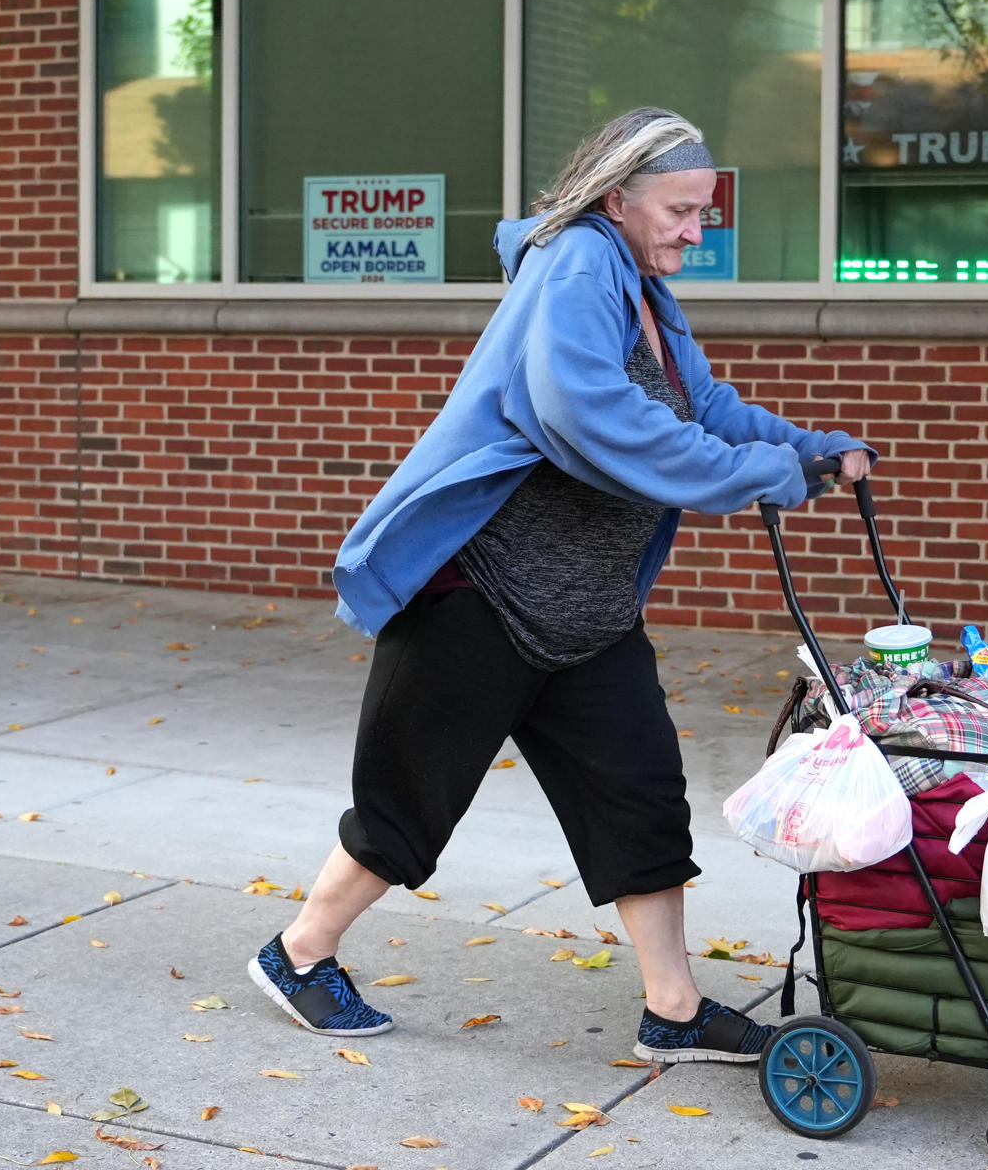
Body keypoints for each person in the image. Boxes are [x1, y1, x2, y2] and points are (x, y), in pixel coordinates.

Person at [247, 107, 875, 1065]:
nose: (694, 232)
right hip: (485, 594)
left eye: (704, 214)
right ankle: (300, 954)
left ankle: (673, 1008)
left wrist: (808, 451)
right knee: (409, 800)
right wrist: (758, 477)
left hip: (586, 611)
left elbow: (701, 406)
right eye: (679, 212)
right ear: (617, 198)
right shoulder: (577, 263)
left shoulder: (642, 291)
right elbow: (589, 413)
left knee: (640, 797)